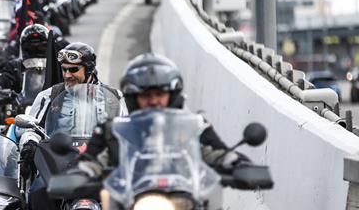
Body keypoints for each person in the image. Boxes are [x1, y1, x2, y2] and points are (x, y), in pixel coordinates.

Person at [18, 43, 127, 210]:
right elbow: (31, 127)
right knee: (39, 191)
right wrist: (29, 143)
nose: (68, 75)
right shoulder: (49, 95)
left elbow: (127, 130)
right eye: (64, 69)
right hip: (59, 161)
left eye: (74, 70)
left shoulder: (114, 97)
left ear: (89, 69)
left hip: (101, 163)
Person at [78, 53, 247, 178]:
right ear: (133, 99)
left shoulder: (196, 126)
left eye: (160, 94)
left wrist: (236, 162)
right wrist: (82, 171)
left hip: (186, 200)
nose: (153, 101)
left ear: (172, 95)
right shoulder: (111, 131)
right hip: (128, 205)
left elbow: (220, 153)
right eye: (146, 96)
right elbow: (89, 160)